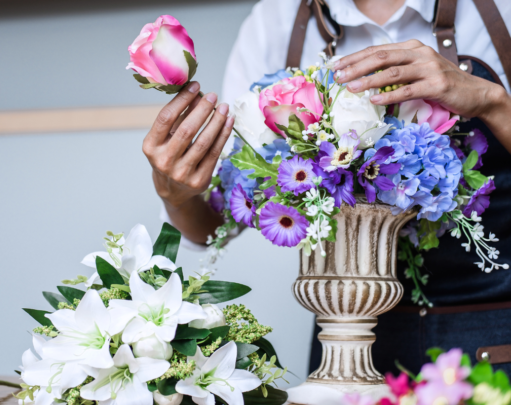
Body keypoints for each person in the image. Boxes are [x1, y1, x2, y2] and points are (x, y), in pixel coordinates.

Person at [141, 0, 511, 375]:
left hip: (495, 348)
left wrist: (494, 103)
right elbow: (214, 222)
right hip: (339, 357)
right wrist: (176, 195)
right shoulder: (277, 19)